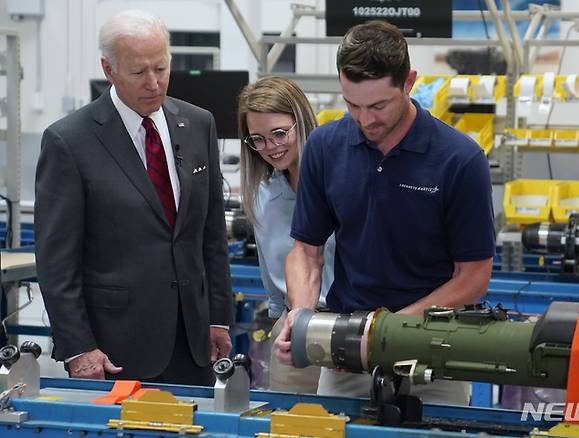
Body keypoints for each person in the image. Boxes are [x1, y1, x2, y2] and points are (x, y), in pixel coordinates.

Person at [274, 20, 496, 405]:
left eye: (378, 105)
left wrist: (386, 332)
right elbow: (307, 252)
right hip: (348, 356)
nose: (365, 119)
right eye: (352, 104)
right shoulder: (325, 147)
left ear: (409, 82)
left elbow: (474, 277)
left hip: (436, 353)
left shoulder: (460, 160)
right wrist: (303, 316)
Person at [34, 10, 233, 386]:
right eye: (139, 72)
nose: (154, 83)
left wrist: (218, 318)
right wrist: (79, 348)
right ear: (109, 69)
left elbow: (211, 235)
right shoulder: (70, 141)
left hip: (193, 344)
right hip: (113, 351)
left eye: (161, 68)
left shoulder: (198, 124)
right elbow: (56, 262)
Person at [237, 76, 335, 392]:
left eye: (279, 133)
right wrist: (284, 325)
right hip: (294, 330)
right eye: (258, 139)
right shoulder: (262, 196)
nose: (271, 147)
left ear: (301, 122)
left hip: (346, 325)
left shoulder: (339, 183)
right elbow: (274, 286)